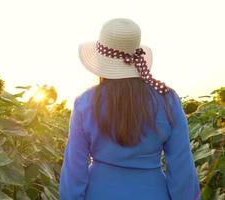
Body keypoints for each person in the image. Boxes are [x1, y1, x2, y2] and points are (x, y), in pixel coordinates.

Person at [59, 18, 201, 200]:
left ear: (101, 61)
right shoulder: (168, 99)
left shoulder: (85, 103)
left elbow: (74, 170)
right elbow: (182, 168)